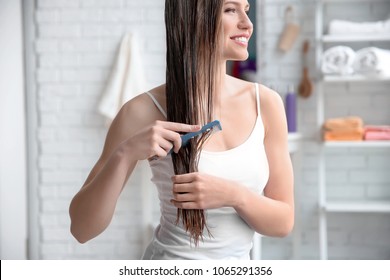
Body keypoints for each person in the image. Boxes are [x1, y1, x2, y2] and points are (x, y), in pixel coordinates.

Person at [69, 0, 294, 260]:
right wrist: (126, 153)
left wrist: (234, 195)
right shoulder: (142, 111)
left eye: (247, 9)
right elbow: (82, 229)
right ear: (195, 16)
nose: (247, 23)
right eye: (231, 10)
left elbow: (283, 222)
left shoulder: (265, 103)